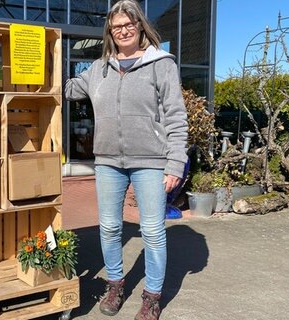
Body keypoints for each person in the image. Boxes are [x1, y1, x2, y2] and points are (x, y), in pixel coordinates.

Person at [65, 1, 188, 319]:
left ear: (140, 26)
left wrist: (174, 162)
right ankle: (116, 284)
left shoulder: (161, 64)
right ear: (110, 31)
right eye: (116, 26)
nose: (123, 31)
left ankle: (152, 296)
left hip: (150, 161)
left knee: (152, 230)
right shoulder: (98, 69)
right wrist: (37, 63)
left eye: (128, 24)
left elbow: (176, 115)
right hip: (107, 162)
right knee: (108, 227)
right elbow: (68, 89)